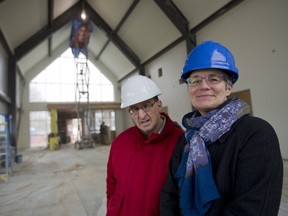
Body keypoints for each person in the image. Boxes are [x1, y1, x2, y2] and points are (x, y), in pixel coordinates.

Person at [160, 40, 283, 216]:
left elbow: (253, 208)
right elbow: (169, 195)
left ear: (228, 87)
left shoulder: (256, 134)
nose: (204, 86)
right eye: (195, 80)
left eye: (214, 79)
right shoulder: (186, 139)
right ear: (189, 89)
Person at [106, 75, 184, 216]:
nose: (142, 115)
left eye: (146, 105)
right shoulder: (120, 142)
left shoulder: (180, 143)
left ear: (159, 104)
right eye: (134, 109)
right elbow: (111, 188)